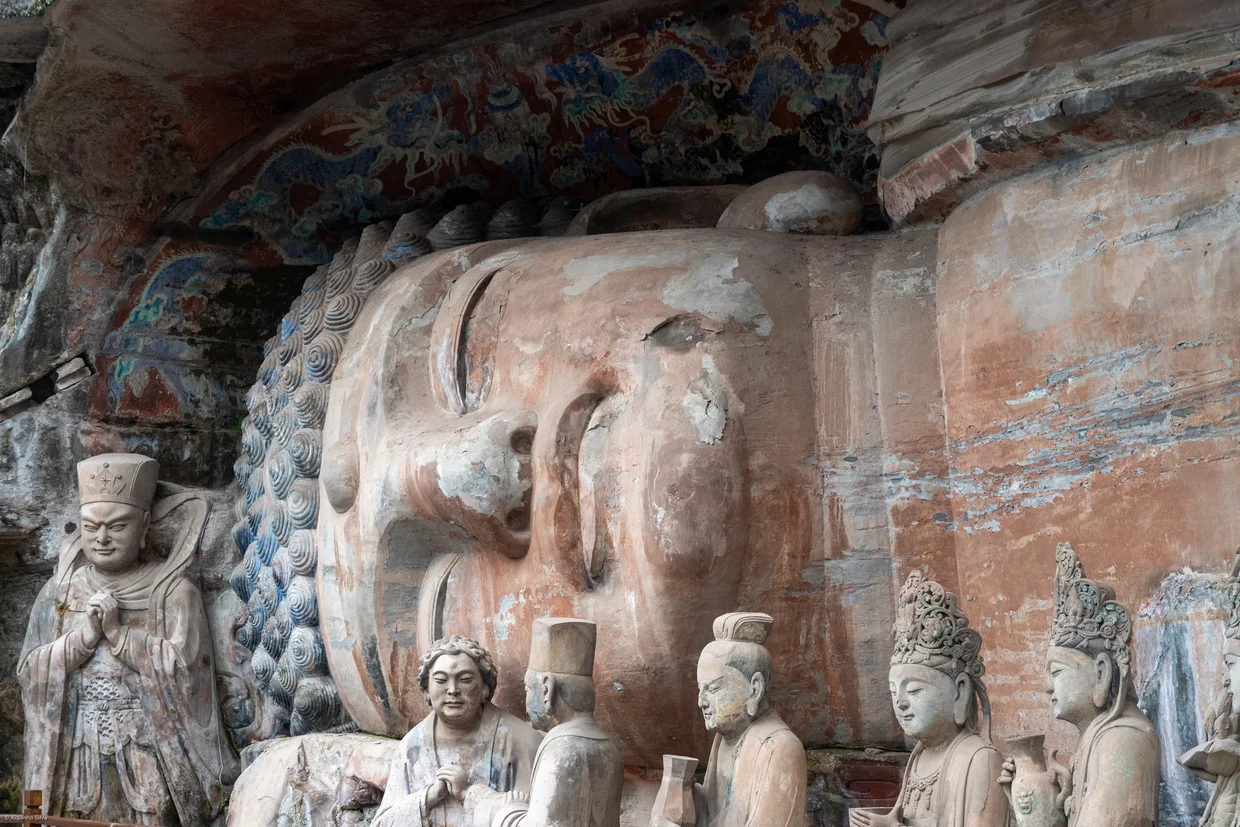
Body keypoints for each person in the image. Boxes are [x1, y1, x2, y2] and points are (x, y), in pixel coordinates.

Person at [18, 453, 228, 825]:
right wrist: (82, 639)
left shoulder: (174, 593)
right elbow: (30, 672)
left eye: (117, 526)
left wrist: (120, 636)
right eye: (90, 526)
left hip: (149, 746)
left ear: (144, 525)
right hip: (75, 750)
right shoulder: (59, 593)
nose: (101, 538)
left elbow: (190, 675)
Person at [1001, 542, 1160, 827]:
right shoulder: (1095, 737)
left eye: (1057, 672)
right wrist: (1034, 806)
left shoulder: (1123, 739)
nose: (1047, 687)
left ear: (1101, 672)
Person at [850, 571, 1008, 827]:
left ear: (960, 691)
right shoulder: (919, 754)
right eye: (893, 691)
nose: (900, 702)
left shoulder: (979, 759)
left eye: (914, 690)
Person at [373, 635, 542, 827]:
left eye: (465, 679)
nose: (453, 690)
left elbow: (538, 819)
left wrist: (472, 794)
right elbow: (382, 823)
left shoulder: (520, 741)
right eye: (441, 680)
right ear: (427, 689)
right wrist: (426, 798)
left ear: (485, 687)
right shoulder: (412, 746)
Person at [482, 618, 623, 827]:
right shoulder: (610, 750)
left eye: (528, 689)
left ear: (547, 690)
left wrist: (497, 809)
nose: (526, 699)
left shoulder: (562, 751)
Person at [692, 612, 806, 827]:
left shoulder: (779, 748)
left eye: (713, 688)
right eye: (700, 689)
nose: (701, 702)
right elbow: (711, 814)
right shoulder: (725, 737)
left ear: (755, 689)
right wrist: (683, 792)